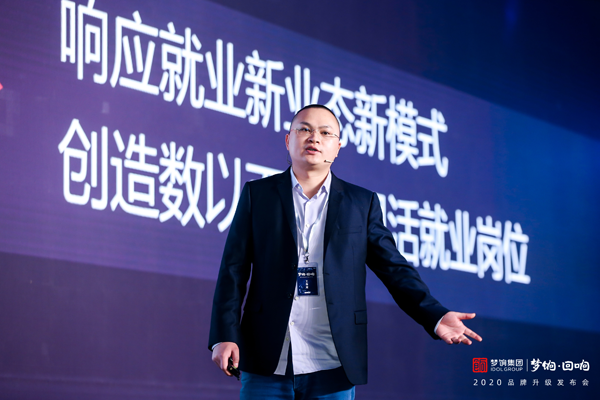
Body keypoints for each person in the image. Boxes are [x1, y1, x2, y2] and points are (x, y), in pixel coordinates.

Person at [209, 104, 482, 399]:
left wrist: (435, 315)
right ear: (288, 140)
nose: (314, 137)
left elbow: (394, 269)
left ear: (337, 147)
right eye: (304, 129)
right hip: (267, 357)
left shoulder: (361, 203)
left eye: (325, 133)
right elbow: (233, 270)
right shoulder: (258, 194)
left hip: (333, 362)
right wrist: (224, 335)